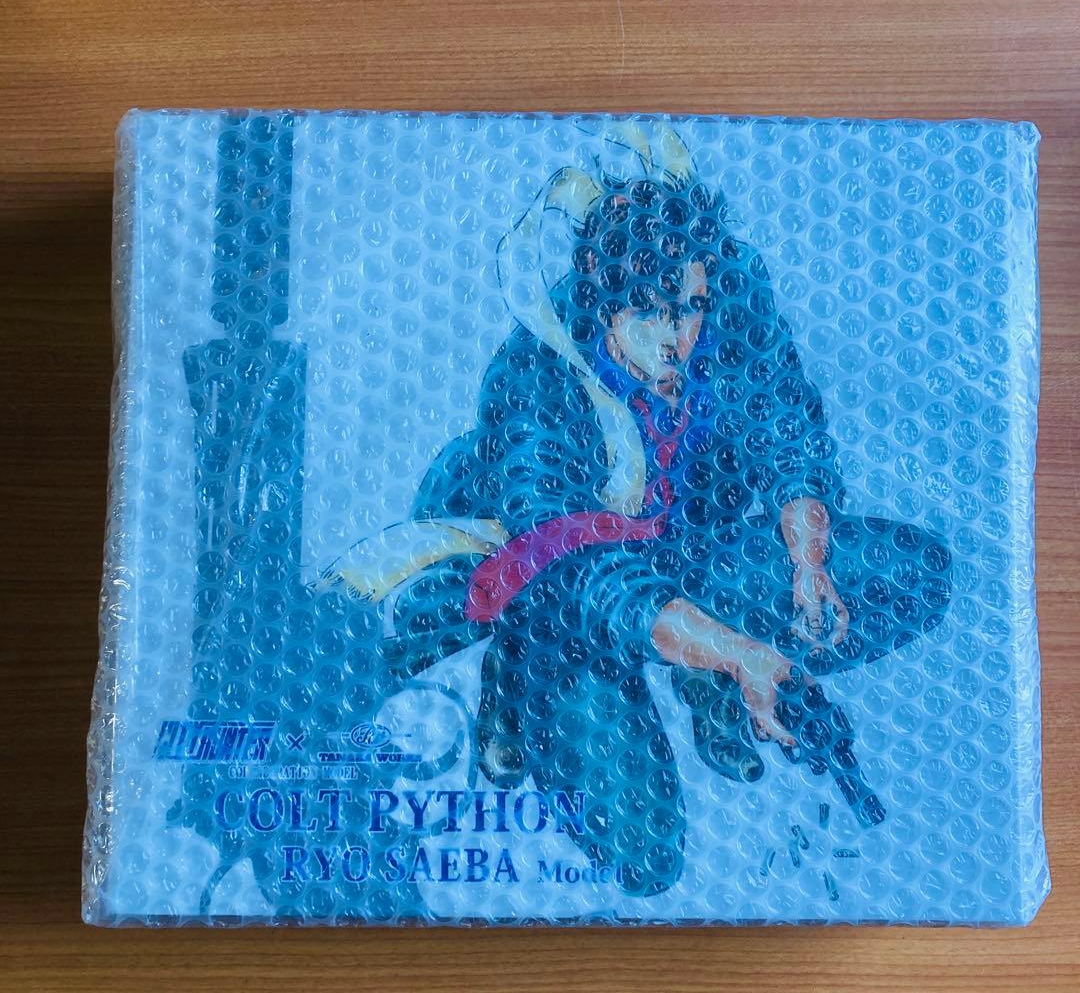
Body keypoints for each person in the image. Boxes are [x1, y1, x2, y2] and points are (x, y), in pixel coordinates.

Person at [334, 123, 952, 897]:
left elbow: (788, 430)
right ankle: (526, 677)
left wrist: (807, 560)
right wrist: (740, 653)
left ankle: (705, 675)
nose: (676, 338)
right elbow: (593, 581)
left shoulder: (727, 308)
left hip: (684, 559)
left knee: (915, 572)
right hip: (564, 607)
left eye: (688, 310)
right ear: (602, 294)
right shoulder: (536, 377)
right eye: (652, 314)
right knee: (644, 854)